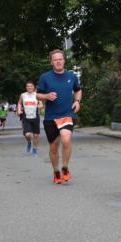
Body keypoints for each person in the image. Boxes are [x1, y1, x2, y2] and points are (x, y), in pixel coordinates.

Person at [36, 50, 81, 184]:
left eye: (60, 59)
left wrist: (77, 101)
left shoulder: (71, 76)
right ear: (51, 62)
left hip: (67, 114)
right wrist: (46, 96)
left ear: (64, 60)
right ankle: (56, 171)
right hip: (50, 117)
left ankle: (65, 167)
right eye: (55, 59)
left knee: (66, 139)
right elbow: (38, 95)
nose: (58, 61)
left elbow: (78, 90)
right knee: (54, 146)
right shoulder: (45, 77)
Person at [17, 81, 42, 156]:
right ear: (26, 87)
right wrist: (19, 109)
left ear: (34, 87)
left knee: (36, 135)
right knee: (27, 135)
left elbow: (40, 104)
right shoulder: (23, 95)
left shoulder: (37, 95)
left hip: (35, 116)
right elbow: (19, 103)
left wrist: (40, 106)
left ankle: (34, 149)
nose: (29, 87)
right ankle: (29, 142)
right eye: (28, 86)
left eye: (31, 86)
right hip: (26, 117)